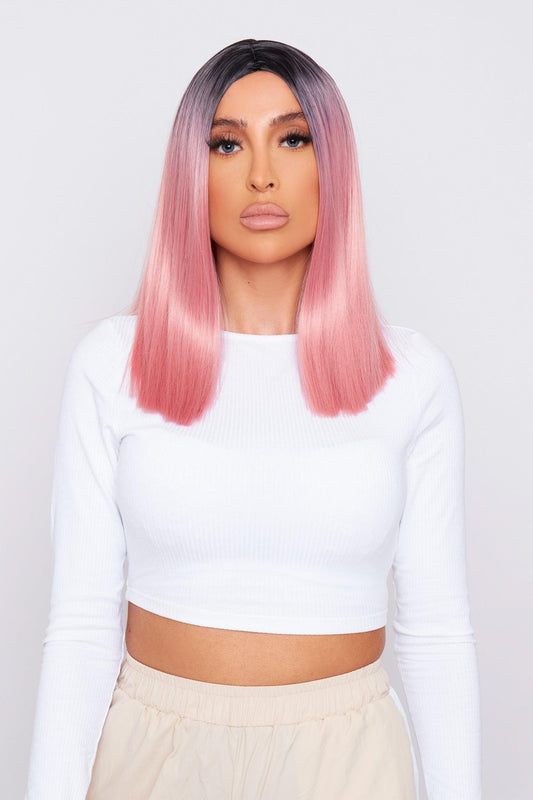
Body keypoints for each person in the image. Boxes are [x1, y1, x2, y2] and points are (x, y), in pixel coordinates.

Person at [24, 39, 481, 800]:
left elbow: (435, 631)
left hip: (349, 763)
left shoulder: (411, 377)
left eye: (293, 140)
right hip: (154, 756)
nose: (261, 175)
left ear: (332, 166)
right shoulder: (113, 364)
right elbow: (80, 624)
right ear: (190, 173)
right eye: (227, 144)